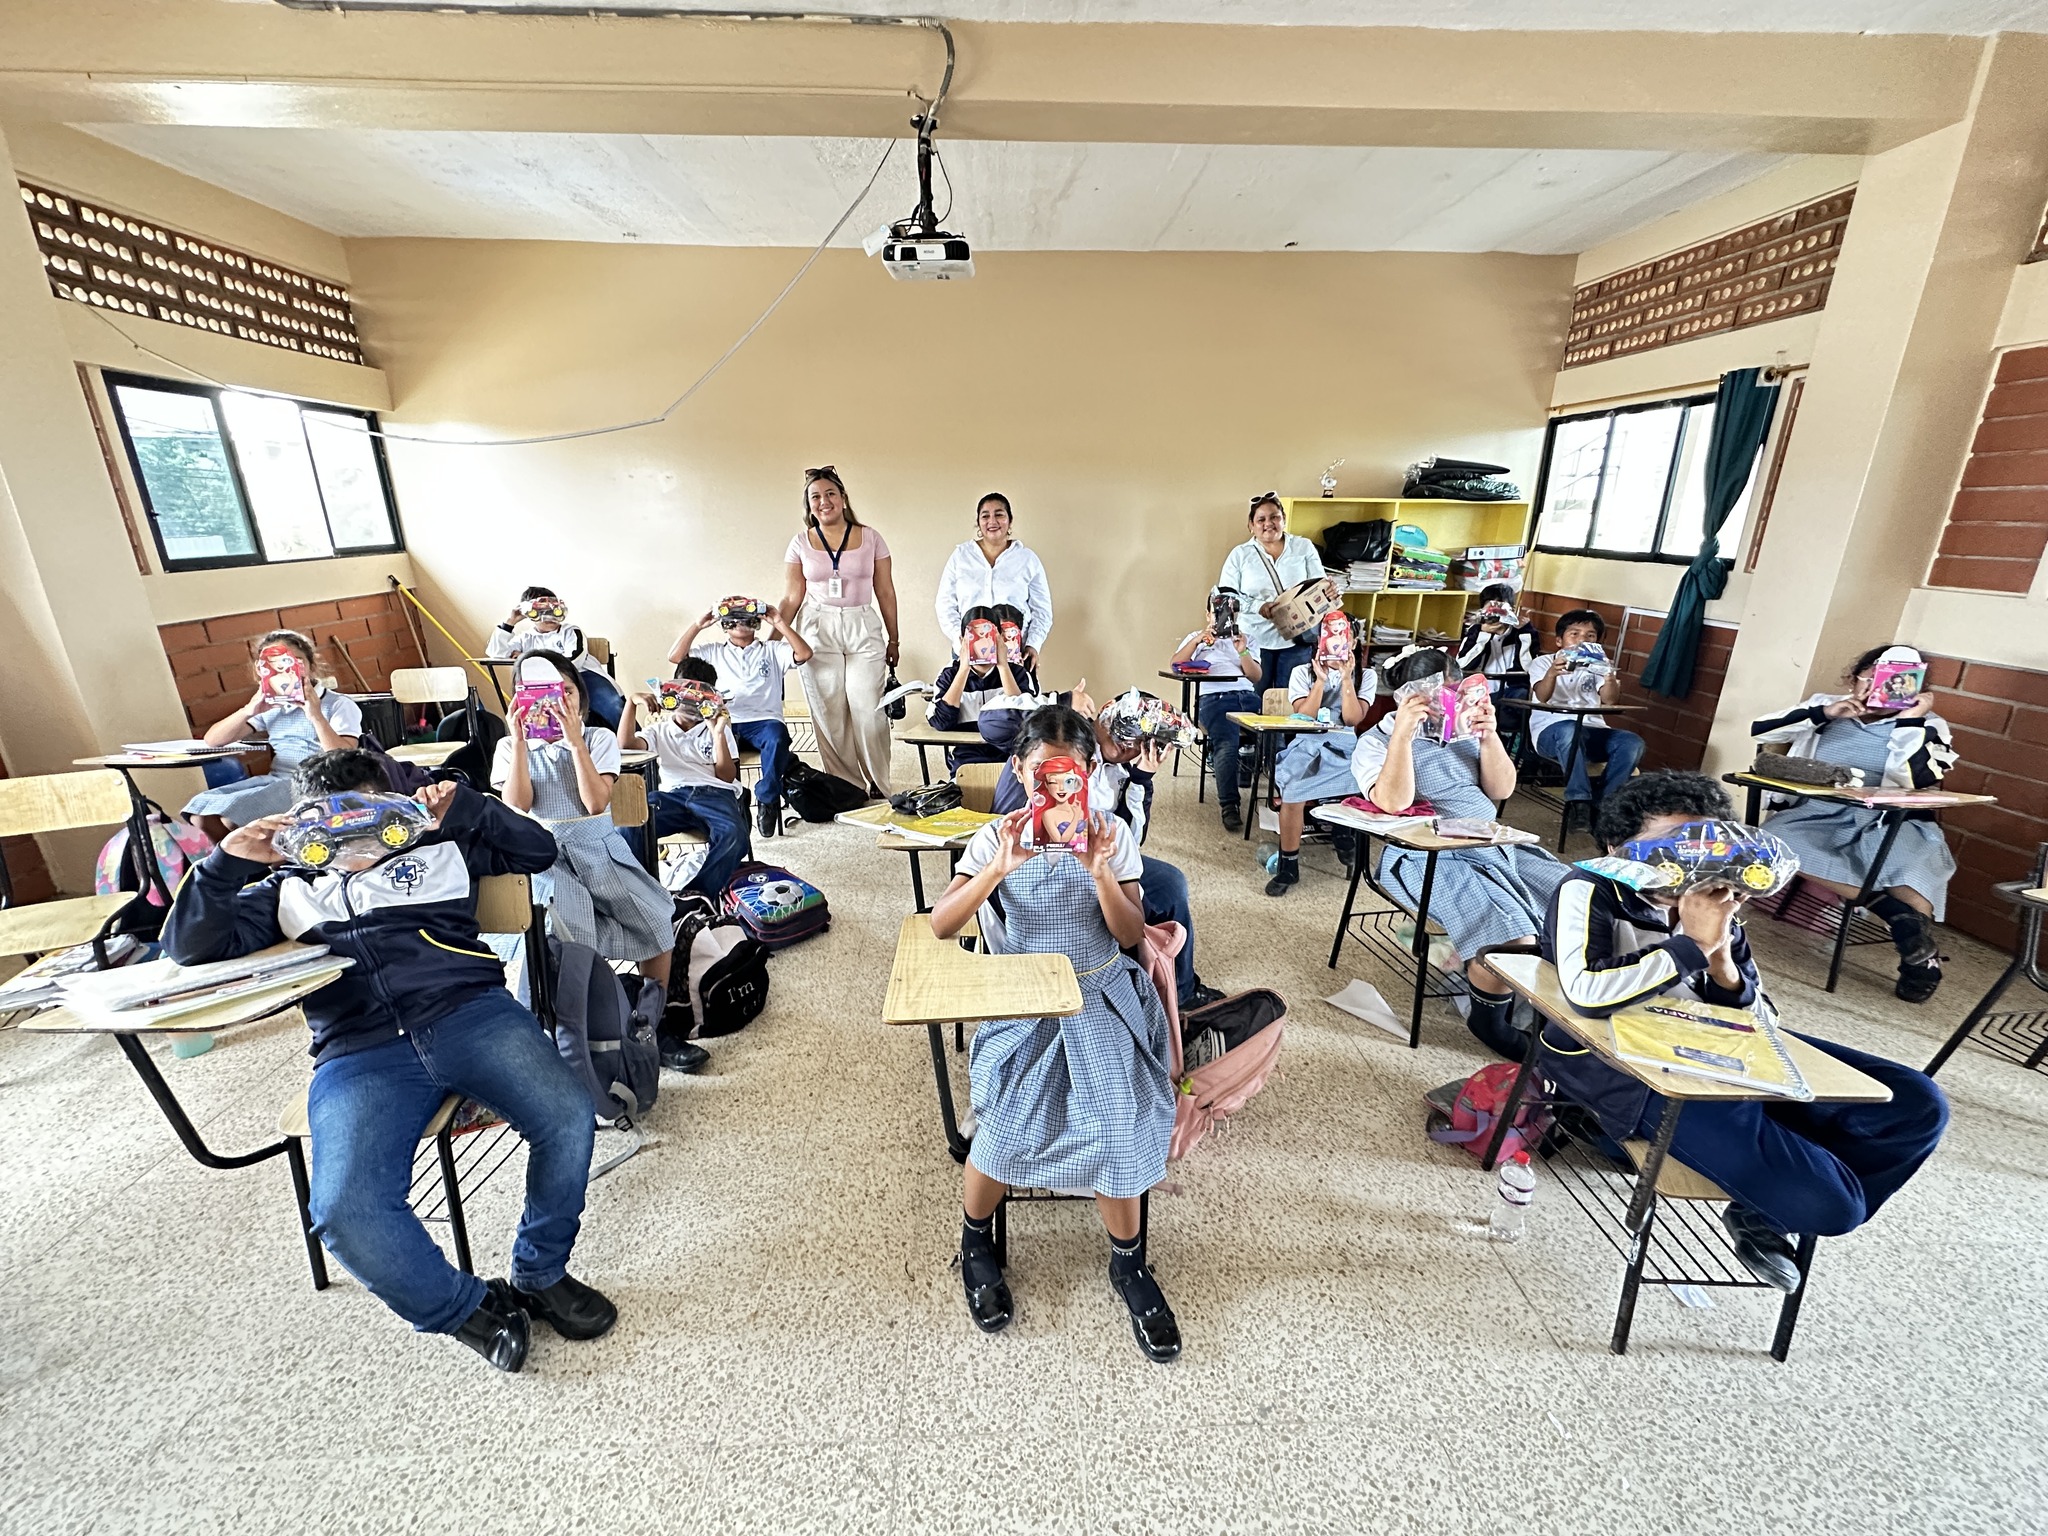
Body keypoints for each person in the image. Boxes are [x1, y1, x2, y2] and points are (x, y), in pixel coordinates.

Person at [161, 748, 613, 1373]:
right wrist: (223, 864)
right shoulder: (287, 888)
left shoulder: (440, 848)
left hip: (469, 1013)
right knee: (345, 1210)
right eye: (330, 821)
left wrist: (467, 806)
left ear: (391, 806)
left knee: (566, 1116)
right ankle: (468, 1310)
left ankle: (540, 1274)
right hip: (359, 1047)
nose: (352, 838)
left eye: (366, 815)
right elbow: (189, 949)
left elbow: (538, 852)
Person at [1538, 770, 1950, 1290]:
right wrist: (1691, 944)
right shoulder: (1590, 888)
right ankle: (1778, 1191)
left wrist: (1721, 961)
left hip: (1719, 1048)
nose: (1686, 861)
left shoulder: (1714, 899)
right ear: (1617, 847)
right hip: (1632, 1069)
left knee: (1917, 1102)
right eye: (1668, 844)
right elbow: (1587, 994)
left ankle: (1769, 1193)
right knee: (1834, 1207)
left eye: (1702, 845)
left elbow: (1761, 1018)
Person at [930, 705, 1181, 1362]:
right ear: (1020, 770)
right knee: (1003, 1127)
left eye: (1071, 774)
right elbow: (941, 924)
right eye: (1044, 772)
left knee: (1118, 1123)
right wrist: (997, 869)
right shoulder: (995, 836)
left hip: (1099, 993)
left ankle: (1128, 1261)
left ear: (1090, 773)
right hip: (1023, 999)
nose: (1059, 788)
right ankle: (975, 1240)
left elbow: (1130, 934)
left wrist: (1100, 871)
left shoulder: (1111, 833)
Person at [1352, 646, 1567, 1059]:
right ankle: (1489, 1019)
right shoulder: (1375, 741)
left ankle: (1551, 1006)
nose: (1444, 706)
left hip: (1495, 844)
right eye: (1434, 697)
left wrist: (1489, 736)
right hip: (1425, 854)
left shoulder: (1464, 732)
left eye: (1452, 694)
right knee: (1513, 934)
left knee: (1571, 897)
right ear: (1406, 696)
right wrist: (1403, 736)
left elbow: (1501, 790)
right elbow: (1393, 802)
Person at [988, 686, 1225, 1012]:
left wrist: (1141, 778)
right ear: (1108, 710)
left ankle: (1177, 993)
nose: (1130, 744)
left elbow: (1128, 841)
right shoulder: (1059, 735)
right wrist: (1064, 699)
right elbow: (991, 722)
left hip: (1091, 855)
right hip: (1023, 855)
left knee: (1169, 885)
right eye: (1128, 730)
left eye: (1143, 740)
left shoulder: (1123, 771)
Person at [1750, 644, 1959, 1002]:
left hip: (1892, 818)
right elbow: (1762, 731)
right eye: (1874, 677)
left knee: (1911, 872)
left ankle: (1918, 960)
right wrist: (1825, 713)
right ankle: (1895, 916)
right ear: (1855, 678)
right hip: (1819, 813)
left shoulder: (1929, 724)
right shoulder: (1827, 706)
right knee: (1775, 839)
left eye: (1899, 680)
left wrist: (1911, 721)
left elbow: (1914, 780)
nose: (1883, 687)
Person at [492, 651, 675, 1000]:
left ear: (581, 697)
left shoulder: (597, 738)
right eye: (542, 693)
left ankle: (653, 1009)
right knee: (566, 931)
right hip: (545, 860)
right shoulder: (508, 747)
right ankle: (575, 1016)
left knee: (654, 917)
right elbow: (517, 806)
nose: (557, 702)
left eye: (567, 691)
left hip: (600, 852)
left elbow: (595, 803)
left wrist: (575, 743)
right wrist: (519, 743)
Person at [781, 466, 900, 797]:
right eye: (816, 497)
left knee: (868, 708)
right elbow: (791, 597)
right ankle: (847, 786)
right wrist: (772, 641)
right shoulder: (800, 542)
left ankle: (879, 783)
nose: (824, 501)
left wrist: (894, 638)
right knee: (829, 711)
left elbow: (885, 591)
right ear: (809, 505)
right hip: (817, 627)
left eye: (830, 493)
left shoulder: (871, 537)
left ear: (843, 498)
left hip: (862, 623)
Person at [184, 629, 362, 843]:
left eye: (294, 663)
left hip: (316, 782)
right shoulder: (273, 705)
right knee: (200, 816)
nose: (286, 672)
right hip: (277, 779)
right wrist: (249, 710)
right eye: (274, 666)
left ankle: (255, 857)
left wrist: (315, 715)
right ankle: (238, 860)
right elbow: (213, 740)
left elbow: (344, 757)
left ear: (311, 666)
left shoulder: (338, 704)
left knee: (233, 821)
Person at [668, 599, 812, 837]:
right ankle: (734, 799)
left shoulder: (772, 650)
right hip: (725, 720)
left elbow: (804, 653)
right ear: (724, 624)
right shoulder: (713, 651)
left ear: (756, 620)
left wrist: (778, 622)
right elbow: (675, 657)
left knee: (777, 738)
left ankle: (767, 798)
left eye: (746, 615)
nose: (740, 621)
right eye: (733, 617)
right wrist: (698, 625)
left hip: (764, 720)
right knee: (710, 745)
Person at [618, 658, 753, 905]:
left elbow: (726, 776)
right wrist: (631, 702)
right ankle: (645, 894)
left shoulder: (717, 728)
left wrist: (717, 734)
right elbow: (626, 747)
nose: (690, 706)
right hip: (673, 796)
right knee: (629, 824)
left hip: (715, 794)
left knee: (735, 836)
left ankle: (695, 896)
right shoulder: (659, 730)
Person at [1262, 648, 1376, 898]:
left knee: (1364, 781)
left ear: (1354, 641)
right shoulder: (1302, 672)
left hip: (1346, 746)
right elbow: (1304, 716)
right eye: (1330, 635)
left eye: (1344, 637)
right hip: (1307, 743)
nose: (1337, 645)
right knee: (1293, 789)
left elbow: (1352, 719)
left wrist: (1346, 678)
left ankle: (1342, 831)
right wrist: (1321, 680)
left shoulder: (1366, 675)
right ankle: (1289, 865)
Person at [1527, 609, 1644, 814]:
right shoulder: (1542, 663)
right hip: (1551, 733)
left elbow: (1610, 700)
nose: (1582, 640)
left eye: (1590, 636)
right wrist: (1552, 673)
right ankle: (1579, 802)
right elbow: (1542, 696)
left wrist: (1608, 676)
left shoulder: (1596, 666)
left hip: (1591, 730)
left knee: (1632, 742)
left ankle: (1604, 802)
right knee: (1570, 730)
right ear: (1559, 641)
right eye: (1574, 634)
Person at [1217, 492, 1337, 689]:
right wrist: (1258, 606)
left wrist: (1329, 592)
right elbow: (1227, 596)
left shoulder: (1303, 547)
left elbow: (1319, 585)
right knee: (1253, 698)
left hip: (1297, 639)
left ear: (1284, 519)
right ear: (1251, 524)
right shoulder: (1240, 554)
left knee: (1291, 698)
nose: (1268, 524)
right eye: (1261, 519)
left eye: (1274, 517)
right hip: (1254, 640)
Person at [934, 492, 1053, 665]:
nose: (992, 521)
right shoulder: (961, 556)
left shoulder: (1027, 559)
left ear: (1010, 520)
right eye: (985, 516)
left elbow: (1042, 610)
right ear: (978, 522)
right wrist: (959, 639)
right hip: (968, 653)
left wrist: (1033, 644)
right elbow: (944, 604)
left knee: (1016, 685)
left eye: (999, 515)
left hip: (1015, 653)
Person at [1170, 613, 1262, 833]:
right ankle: (1230, 805)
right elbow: (1175, 665)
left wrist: (1242, 650)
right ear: (1208, 614)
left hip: (1247, 698)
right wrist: (1197, 641)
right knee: (1227, 743)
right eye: (1217, 612)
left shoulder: (1247, 638)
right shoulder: (1197, 638)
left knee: (1275, 740)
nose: (1223, 617)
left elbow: (1255, 677)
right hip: (1215, 699)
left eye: (1230, 612)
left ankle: (1283, 803)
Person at [486, 585, 622, 728]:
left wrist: (527, 657)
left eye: (553, 610)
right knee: (539, 715)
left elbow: (574, 661)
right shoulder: (525, 638)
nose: (550, 616)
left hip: (582, 675)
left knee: (611, 704)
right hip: (543, 684)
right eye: (542, 611)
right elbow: (497, 653)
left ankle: (629, 737)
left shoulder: (570, 632)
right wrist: (510, 621)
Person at [929, 604, 1038, 771]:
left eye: (988, 635)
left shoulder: (1017, 673)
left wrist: (1003, 665)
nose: (981, 643)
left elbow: (1024, 721)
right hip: (966, 758)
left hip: (1010, 757)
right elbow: (941, 722)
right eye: (974, 636)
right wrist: (963, 668)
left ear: (999, 638)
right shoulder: (950, 674)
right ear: (962, 640)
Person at [1456, 584, 1536, 698]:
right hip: (1480, 692)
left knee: (1520, 694)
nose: (1496, 613)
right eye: (1491, 609)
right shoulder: (1476, 632)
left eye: (1500, 608)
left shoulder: (1522, 633)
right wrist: (1483, 636)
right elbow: (1463, 665)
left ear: (1512, 609)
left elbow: (1528, 667)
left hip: (1510, 691)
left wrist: (1525, 633)